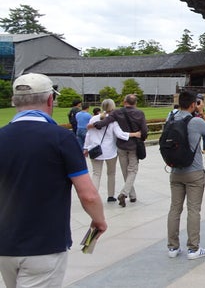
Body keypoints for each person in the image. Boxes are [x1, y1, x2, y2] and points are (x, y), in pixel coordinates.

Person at [0, 73, 107, 287]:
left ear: (14, 101)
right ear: (50, 100)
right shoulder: (61, 138)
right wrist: (99, 220)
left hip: (5, 243)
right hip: (44, 244)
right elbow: (88, 194)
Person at [166, 91, 205, 260]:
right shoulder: (195, 121)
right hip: (194, 170)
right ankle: (193, 248)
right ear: (193, 104)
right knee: (193, 209)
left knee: (175, 209)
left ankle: (172, 247)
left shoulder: (171, 118)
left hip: (175, 171)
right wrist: (202, 113)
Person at [93, 94, 148, 207]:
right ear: (135, 103)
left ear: (124, 102)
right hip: (133, 145)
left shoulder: (117, 112)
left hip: (121, 146)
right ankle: (124, 193)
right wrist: (141, 138)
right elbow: (144, 130)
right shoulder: (139, 113)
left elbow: (106, 121)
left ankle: (132, 195)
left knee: (125, 171)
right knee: (132, 170)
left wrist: (96, 124)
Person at [84, 99, 141, 203]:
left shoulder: (93, 118)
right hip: (110, 150)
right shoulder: (114, 120)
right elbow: (120, 134)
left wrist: (86, 147)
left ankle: (93, 195)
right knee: (111, 173)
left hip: (95, 148)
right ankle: (110, 195)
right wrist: (134, 134)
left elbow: (88, 134)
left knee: (96, 174)